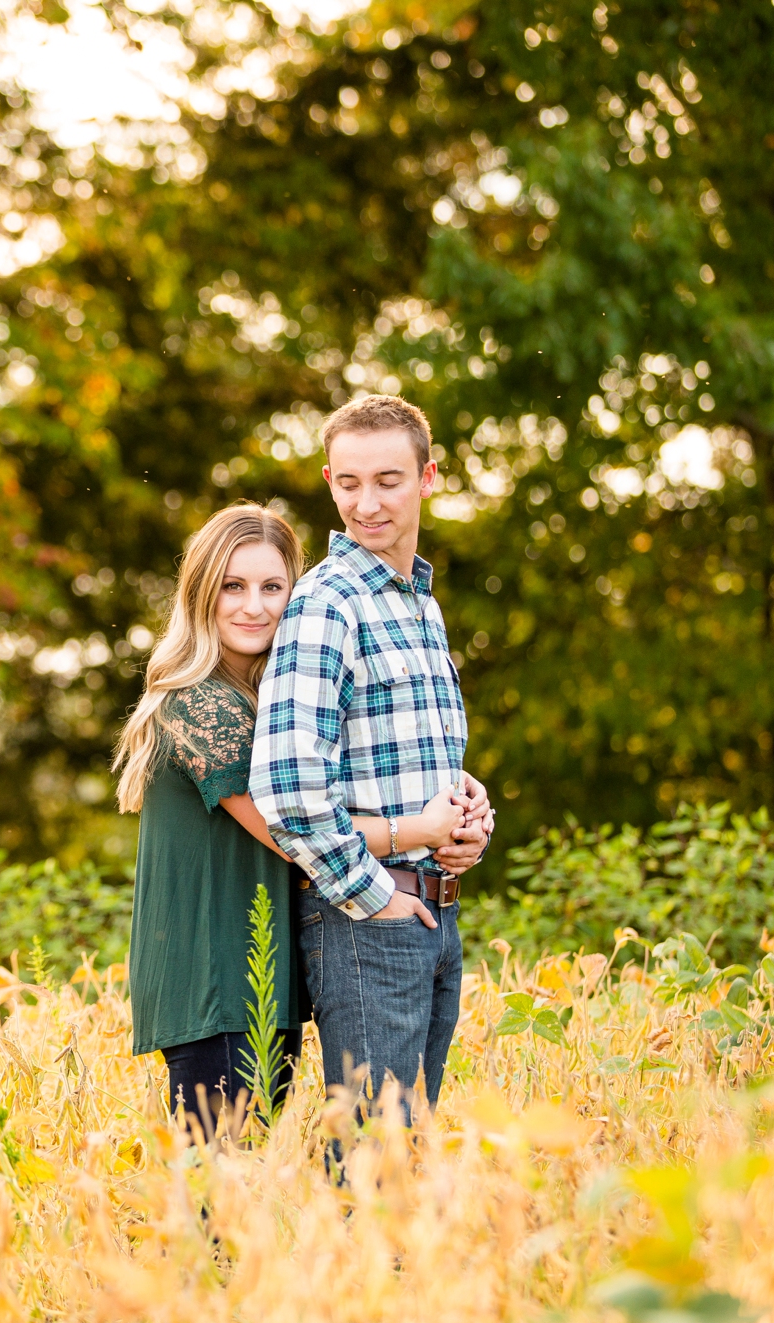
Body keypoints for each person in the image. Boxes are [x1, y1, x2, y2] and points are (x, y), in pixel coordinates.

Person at [112, 502, 475, 1141]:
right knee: (215, 1194)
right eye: (233, 585)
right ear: (201, 594)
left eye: (272, 587)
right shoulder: (201, 704)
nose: (253, 605)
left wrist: (460, 810)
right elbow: (288, 824)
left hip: (261, 977)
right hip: (215, 976)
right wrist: (420, 829)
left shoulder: (266, 703)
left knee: (244, 1182)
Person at [250, 393, 494, 1123]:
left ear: (428, 477)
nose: (367, 502)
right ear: (329, 480)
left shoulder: (420, 603)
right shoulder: (329, 602)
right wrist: (374, 894)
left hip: (434, 909)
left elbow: (425, 761)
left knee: (407, 1146)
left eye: (388, 479)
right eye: (348, 482)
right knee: (372, 1158)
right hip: (367, 914)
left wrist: (469, 823)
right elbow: (289, 787)